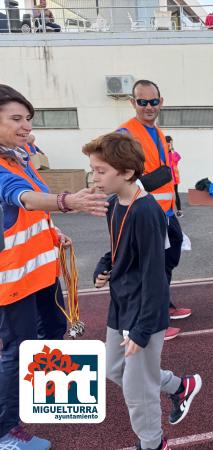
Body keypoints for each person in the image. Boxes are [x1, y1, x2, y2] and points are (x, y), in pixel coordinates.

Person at [0, 84, 107, 450]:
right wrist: (67, 201)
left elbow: (27, 213)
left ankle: (39, 395)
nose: (26, 125)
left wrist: (53, 228)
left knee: (54, 329)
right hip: (14, 280)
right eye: (16, 119)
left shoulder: (19, 156)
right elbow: (22, 196)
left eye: (28, 118)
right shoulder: (3, 167)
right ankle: (5, 431)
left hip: (43, 271)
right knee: (19, 348)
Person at [86, 133, 201, 450]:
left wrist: (141, 329)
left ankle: (153, 444)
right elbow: (117, 248)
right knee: (114, 370)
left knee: (137, 391)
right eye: (93, 170)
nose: (94, 177)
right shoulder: (114, 205)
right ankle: (179, 386)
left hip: (143, 313)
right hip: (120, 305)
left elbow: (155, 276)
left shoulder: (146, 212)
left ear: (125, 172)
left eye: (101, 171)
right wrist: (103, 265)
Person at [118, 79, 190, 341]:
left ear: (161, 102)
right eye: (142, 101)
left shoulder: (157, 132)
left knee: (168, 259)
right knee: (149, 269)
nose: (148, 106)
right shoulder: (125, 133)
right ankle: (151, 319)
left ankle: (163, 304)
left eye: (153, 101)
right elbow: (118, 175)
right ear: (133, 102)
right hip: (145, 215)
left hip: (166, 213)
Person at [165, 136, 183, 217]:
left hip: (174, 178)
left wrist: (171, 150)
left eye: (171, 143)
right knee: (168, 194)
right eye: (169, 142)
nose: (170, 144)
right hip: (166, 177)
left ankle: (179, 210)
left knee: (175, 193)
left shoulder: (173, 153)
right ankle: (168, 210)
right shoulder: (164, 154)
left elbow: (177, 159)